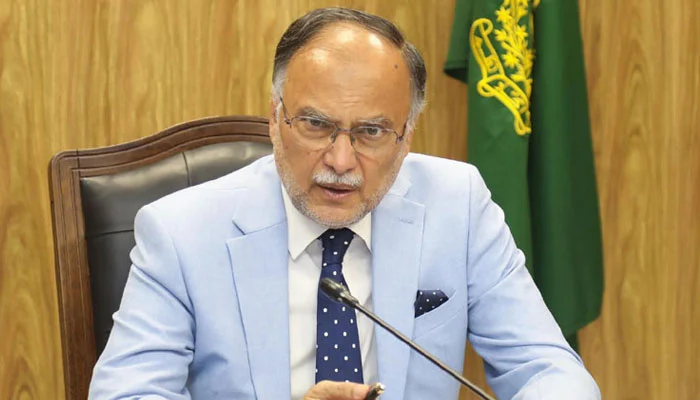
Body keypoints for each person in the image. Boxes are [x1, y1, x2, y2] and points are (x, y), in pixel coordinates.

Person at [88, 7, 600, 400]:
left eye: (371, 132)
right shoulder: (181, 233)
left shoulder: (458, 205)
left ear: (406, 136)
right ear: (275, 120)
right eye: (316, 125)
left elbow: (548, 368)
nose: (340, 160)